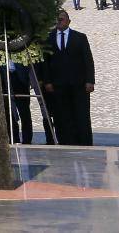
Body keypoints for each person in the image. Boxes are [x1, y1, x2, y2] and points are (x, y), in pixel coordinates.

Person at [37, 9, 95, 145]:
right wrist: (47, 81)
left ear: (68, 21)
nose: (59, 21)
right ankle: (65, 141)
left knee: (81, 114)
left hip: (78, 84)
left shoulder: (80, 37)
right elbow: (45, 62)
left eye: (62, 19)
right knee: (61, 115)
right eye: (57, 19)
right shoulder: (48, 38)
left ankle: (84, 141)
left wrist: (90, 81)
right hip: (58, 84)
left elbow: (88, 60)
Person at [0, 60, 33, 144]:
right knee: (9, 111)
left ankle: (27, 139)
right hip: (4, 78)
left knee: (24, 111)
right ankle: (14, 138)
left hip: (20, 79)